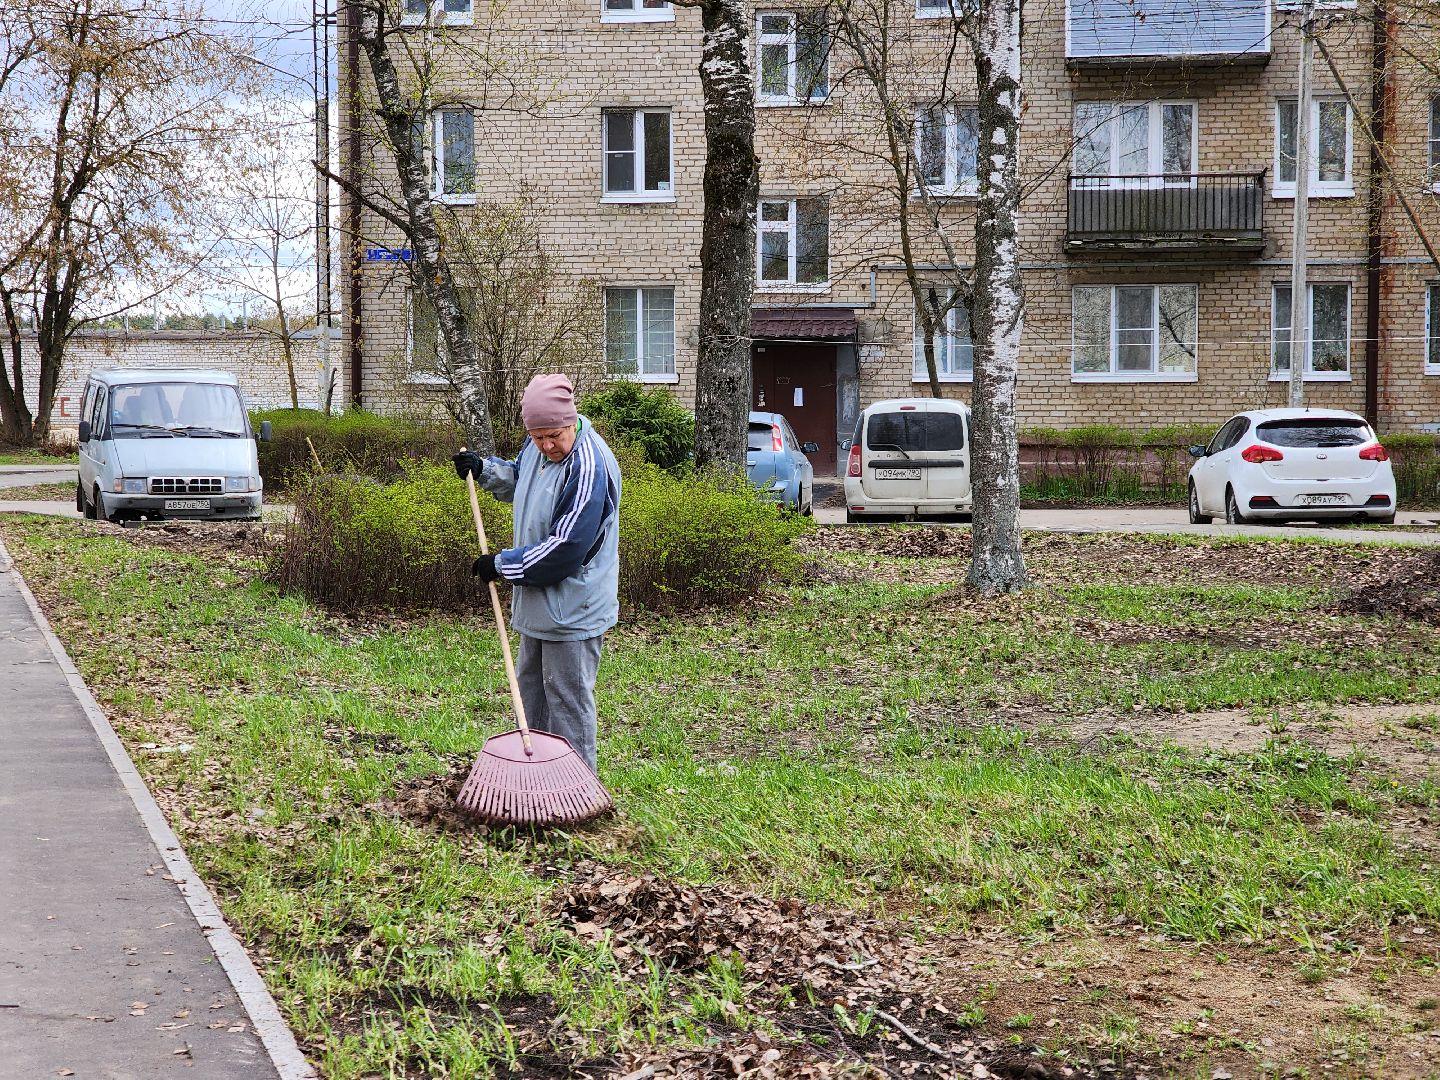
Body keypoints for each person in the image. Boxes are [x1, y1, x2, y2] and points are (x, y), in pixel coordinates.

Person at [452, 374, 621, 774]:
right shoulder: (538, 446)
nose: (547, 446)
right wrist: (485, 470)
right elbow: (523, 476)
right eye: (538, 436)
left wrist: (501, 565)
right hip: (538, 605)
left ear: (572, 421)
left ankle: (579, 792)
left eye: (554, 437)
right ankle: (537, 781)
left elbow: (565, 550)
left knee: (567, 703)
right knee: (531, 697)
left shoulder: (588, 466)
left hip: (573, 608)